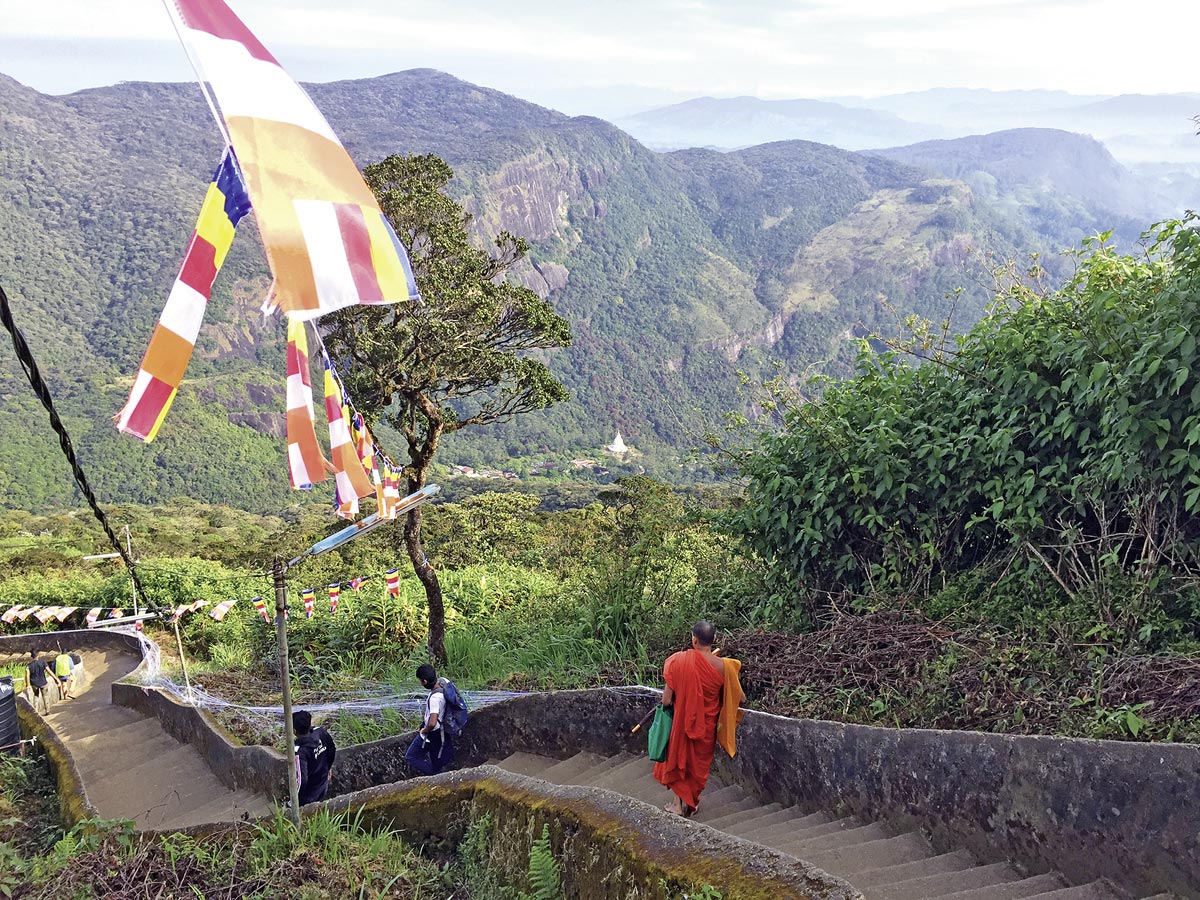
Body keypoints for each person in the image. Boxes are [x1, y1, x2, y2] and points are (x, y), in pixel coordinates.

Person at [653, 621, 745, 817]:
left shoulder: (678, 661)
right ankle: (690, 803)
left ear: (694, 640)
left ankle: (678, 806)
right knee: (697, 765)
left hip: (683, 722)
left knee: (679, 759)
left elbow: (666, 699)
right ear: (712, 641)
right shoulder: (724, 666)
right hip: (707, 726)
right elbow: (740, 697)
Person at [404, 664, 456, 776]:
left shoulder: (435, 698)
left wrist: (424, 730)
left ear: (425, 681)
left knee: (411, 756)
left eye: (420, 681)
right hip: (443, 730)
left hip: (432, 733)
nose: (420, 684)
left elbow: (432, 723)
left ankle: (434, 776)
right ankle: (437, 774)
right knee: (437, 760)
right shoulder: (443, 683)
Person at [292, 710, 337, 805]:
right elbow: (331, 750)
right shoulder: (320, 732)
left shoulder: (299, 751)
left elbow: (301, 780)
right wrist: (328, 769)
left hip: (310, 795)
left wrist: (294, 801)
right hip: (323, 783)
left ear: (294, 731)